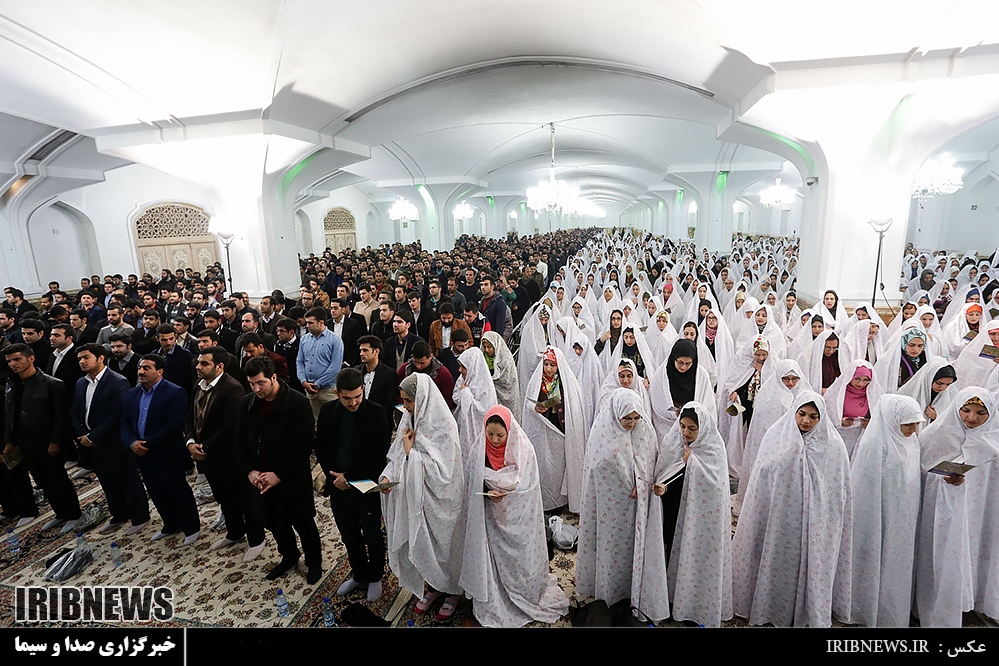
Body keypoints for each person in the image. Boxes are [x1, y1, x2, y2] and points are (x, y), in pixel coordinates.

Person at [732, 392, 853, 627]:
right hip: (780, 519)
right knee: (777, 563)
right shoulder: (778, 436)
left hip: (816, 523)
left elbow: (838, 490)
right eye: (802, 414)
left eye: (813, 416)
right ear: (794, 412)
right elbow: (763, 477)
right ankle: (771, 608)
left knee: (810, 565)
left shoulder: (833, 445)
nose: (806, 421)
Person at [459, 405, 569, 627]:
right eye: (490, 434)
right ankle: (493, 598)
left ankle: (523, 592)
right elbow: (470, 486)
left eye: (500, 435)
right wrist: (488, 494)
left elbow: (528, 488)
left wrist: (508, 496)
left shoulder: (524, 449)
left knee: (518, 562)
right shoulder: (478, 450)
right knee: (493, 563)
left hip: (519, 520)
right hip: (490, 521)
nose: (495, 440)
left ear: (510, 432)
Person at [576, 388, 670, 623]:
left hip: (638, 507)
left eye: (636, 418)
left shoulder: (644, 430)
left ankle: (632, 591)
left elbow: (652, 461)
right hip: (612, 510)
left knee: (634, 550)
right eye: (626, 418)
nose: (631, 423)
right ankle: (610, 593)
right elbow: (598, 468)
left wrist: (644, 482)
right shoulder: (602, 433)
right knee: (611, 550)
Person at [380, 373, 465, 621]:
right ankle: (434, 586)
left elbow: (445, 473)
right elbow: (396, 453)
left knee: (444, 547)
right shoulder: (409, 418)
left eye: (409, 401)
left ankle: (453, 592)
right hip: (414, 497)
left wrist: (412, 455)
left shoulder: (443, 425)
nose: (405, 406)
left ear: (423, 398)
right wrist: (387, 476)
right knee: (422, 546)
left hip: (441, 501)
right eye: (404, 400)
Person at [915, 388, 999, 627]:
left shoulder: (994, 438)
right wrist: (947, 480)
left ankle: (977, 604)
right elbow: (921, 473)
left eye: (981, 412)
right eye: (966, 410)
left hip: (981, 518)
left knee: (977, 557)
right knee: (944, 560)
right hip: (943, 516)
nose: (972, 418)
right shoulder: (935, 435)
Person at [236, 355, 324, 583]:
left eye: (260, 383)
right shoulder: (247, 403)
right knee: (275, 522)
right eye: (252, 384)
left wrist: (279, 475)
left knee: (303, 523)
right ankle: (289, 556)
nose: (256, 389)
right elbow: (240, 441)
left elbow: (303, 445)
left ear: (273, 377)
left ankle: (314, 561)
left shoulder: (296, 403)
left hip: (291, 477)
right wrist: (250, 472)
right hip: (262, 478)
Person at [316, 368, 392, 602]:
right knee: (349, 534)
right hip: (337, 484)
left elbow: (378, 455)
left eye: (358, 396)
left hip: (365, 485)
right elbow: (321, 447)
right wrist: (335, 478)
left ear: (363, 391)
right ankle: (359, 573)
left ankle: (376, 575)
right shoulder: (328, 412)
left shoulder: (377, 413)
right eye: (347, 398)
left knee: (371, 534)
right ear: (337, 393)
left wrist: (348, 478)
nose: (353, 402)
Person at [849, 394, 923, 627]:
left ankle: (892, 609)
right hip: (879, 515)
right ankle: (865, 608)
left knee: (896, 562)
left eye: (916, 423)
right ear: (892, 420)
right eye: (907, 424)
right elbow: (865, 489)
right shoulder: (875, 444)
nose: (912, 429)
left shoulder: (911, 441)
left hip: (904, 515)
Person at [185, 346, 265, 560]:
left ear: (219, 366)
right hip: (208, 457)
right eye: (198, 362)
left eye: (204, 363)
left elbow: (231, 426)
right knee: (223, 497)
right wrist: (191, 442)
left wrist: (206, 446)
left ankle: (256, 539)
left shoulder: (232, 388)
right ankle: (235, 532)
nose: (198, 367)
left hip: (230, 457)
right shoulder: (198, 385)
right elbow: (191, 417)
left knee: (243, 498)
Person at [660, 402, 733, 627]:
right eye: (682, 426)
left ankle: (695, 602)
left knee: (696, 557)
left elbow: (716, 486)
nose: (686, 432)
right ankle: (672, 597)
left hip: (701, 520)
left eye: (692, 429)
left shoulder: (713, 448)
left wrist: (691, 462)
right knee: (672, 551)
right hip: (674, 510)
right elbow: (664, 471)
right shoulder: (673, 442)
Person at [69, 343, 150, 535]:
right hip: (90, 442)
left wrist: (94, 436)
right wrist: (81, 434)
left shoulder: (117, 381)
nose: (82, 362)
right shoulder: (81, 383)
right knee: (107, 480)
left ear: (100, 358)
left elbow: (117, 415)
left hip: (113, 441)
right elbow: (75, 411)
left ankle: (140, 517)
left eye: (86, 357)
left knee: (127, 478)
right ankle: (119, 514)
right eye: (80, 358)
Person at [121, 354, 201, 544]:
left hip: (166, 452)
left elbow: (173, 424)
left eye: (147, 368)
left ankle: (191, 527)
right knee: (156, 491)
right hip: (141, 454)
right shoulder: (132, 394)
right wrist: (132, 443)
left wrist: (147, 444)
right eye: (140, 367)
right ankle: (170, 524)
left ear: (160, 372)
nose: (141, 371)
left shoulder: (174, 392)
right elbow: (124, 422)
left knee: (177, 489)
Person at [2, 344, 83, 531]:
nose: (13, 364)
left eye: (17, 359)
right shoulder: (11, 384)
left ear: (30, 358)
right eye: (9, 361)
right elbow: (10, 414)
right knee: (42, 482)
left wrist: (56, 441)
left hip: (48, 441)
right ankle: (60, 513)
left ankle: (74, 513)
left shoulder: (52, 384)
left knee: (58, 479)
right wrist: (9, 441)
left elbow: (61, 417)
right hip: (25, 443)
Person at [521, 346, 587, 513]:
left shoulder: (567, 384)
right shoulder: (536, 383)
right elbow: (528, 404)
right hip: (543, 434)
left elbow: (575, 409)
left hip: (562, 433)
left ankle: (563, 501)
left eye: (552, 365)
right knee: (546, 469)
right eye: (546, 364)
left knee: (560, 470)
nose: (549, 369)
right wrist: (534, 408)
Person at [297, 307, 344, 420]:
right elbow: (300, 361)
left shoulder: (335, 340)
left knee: (333, 420)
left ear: (321, 322)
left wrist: (317, 384)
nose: (307, 325)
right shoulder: (304, 339)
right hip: (309, 389)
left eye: (310, 323)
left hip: (328, 390)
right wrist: (303, 381)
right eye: (307, 322)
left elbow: (335, 367)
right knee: (315, 421)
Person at [481, 331, 520, 418]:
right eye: (485, 347)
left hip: (506, 396)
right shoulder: (482, 359)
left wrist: (490, 380)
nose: (487, 350)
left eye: (490, 347)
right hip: (488, 396)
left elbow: (507, 379)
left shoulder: (506, 359)